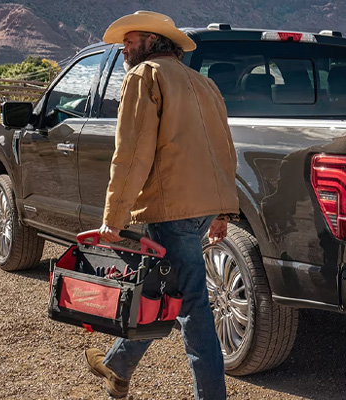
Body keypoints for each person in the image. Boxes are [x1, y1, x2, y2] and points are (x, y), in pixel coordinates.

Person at [83, 11, 238, 400]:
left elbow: (131, 154)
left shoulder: (144, 76)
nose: (124, 48)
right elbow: (223, 149)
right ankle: (118, 366)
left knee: (193, 308)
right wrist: (221, 211)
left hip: (172, 209)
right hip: (200, 207)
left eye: (131, 41)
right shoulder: (204, 84)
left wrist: (112, 219)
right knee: (163, 291)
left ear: (154, 41)